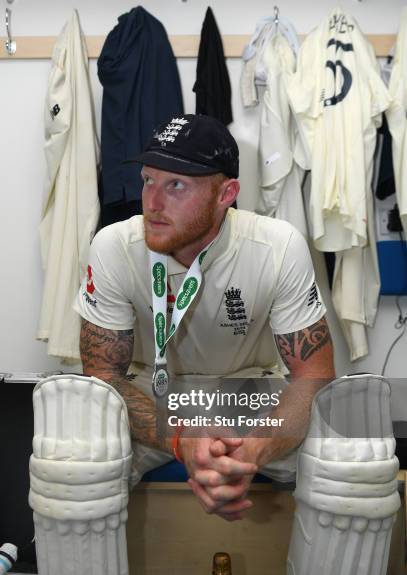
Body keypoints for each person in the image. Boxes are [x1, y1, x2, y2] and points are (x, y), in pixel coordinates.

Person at [74, 113, 335, 522]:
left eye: (176, 185)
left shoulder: (277, 245)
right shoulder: (114, 246)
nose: (153, 203)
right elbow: (104, 377)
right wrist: (182, 438)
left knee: (351, 466)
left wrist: (254, 449)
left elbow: (313, 375)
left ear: (226, 193)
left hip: (247, 389)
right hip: (150, 389)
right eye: (148, 180)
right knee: (74, 466)